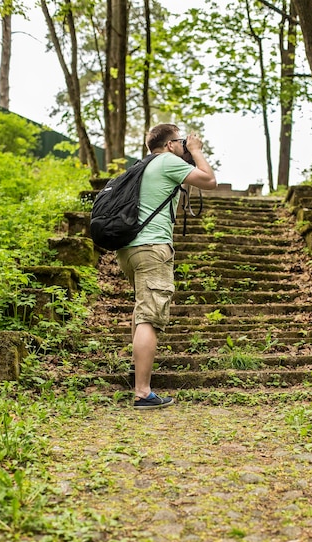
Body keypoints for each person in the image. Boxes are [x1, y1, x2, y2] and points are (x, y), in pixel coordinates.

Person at [116, 123, 217, 409]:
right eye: (181, 140)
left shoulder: (143, 165)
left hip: (128, 249)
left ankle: (139, 373)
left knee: (141, 310)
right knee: (150, 316)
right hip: (151, 248)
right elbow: (209, 181)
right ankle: (143, 392)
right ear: (170, 144)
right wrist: (196, 151)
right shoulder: (168, 161)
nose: (185, 144)